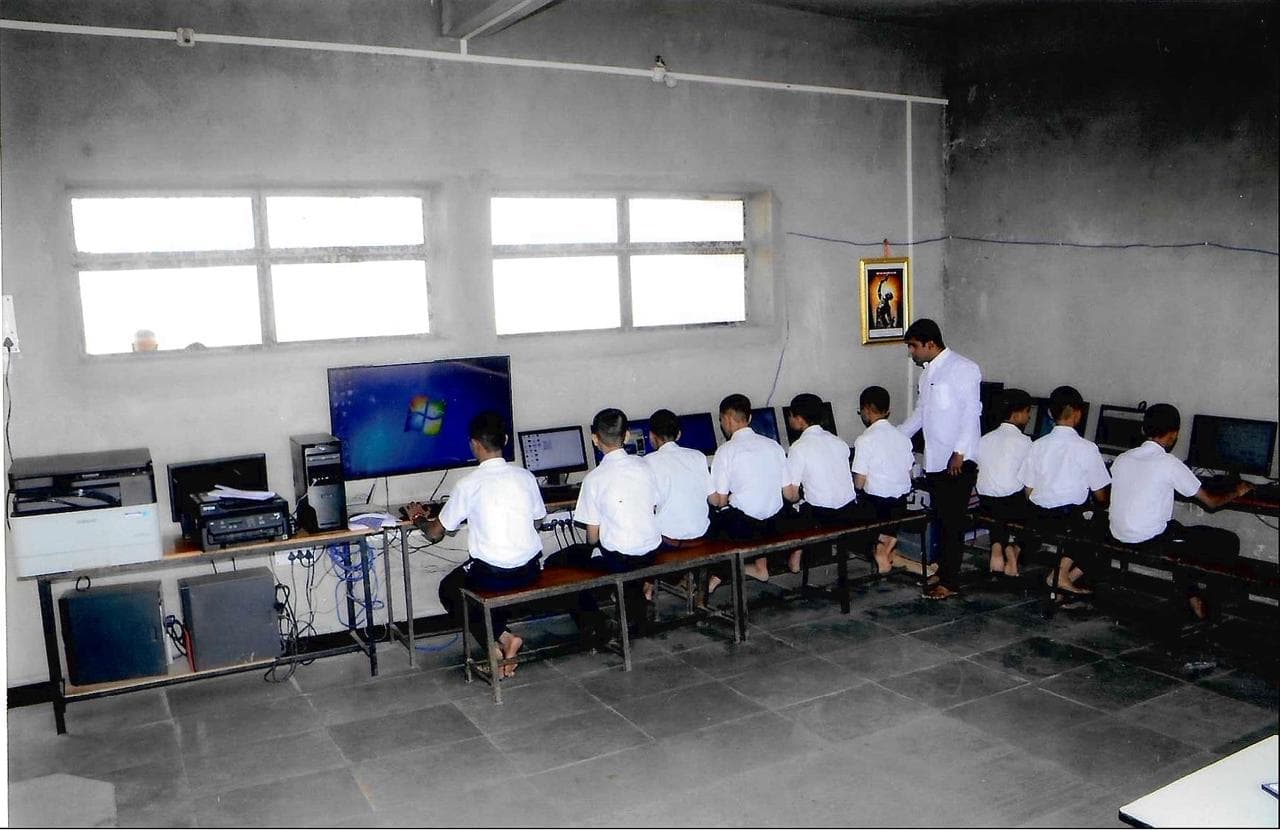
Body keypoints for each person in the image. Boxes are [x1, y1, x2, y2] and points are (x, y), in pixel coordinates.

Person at [406, 411, 545, 679]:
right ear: (504, 439)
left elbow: (435, 534)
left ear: (473, 444)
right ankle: (505, 639)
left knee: (449, 589)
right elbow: (538, 522)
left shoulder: (468, 485)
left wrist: (418, 518)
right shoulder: (525, 477)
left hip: (494, 576)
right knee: (473, 582)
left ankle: (496, 647)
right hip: (530, 570)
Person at [1108, 403, 1253, 619]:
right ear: (1174, 435)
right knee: (1227, 540)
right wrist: (1237, 491)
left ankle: (1193, 597)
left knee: (1178, 533)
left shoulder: (1122, 459)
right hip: (1148, 540)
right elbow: (1211, 502)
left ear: (1143, 430)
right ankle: (1208, 607)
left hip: (1118, 534)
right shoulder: (1168, 463)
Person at [545, 408, 661, 635]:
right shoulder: (645, 466)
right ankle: (633, 605)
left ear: (594, 439)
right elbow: (654, 505)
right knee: (612, 552)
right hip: (650, 552)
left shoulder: (594, 479)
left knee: (557, 563)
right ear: (627, 436)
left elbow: (592, 537)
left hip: (620, 558)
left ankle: (595, 624)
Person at [897, 318, 982, 600]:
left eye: (913, 346)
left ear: (930, 343)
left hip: (958, 461)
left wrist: (959, 452)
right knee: (942, 520)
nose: (912, 353)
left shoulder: (964, 369)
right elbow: (921, 414)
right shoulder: (927, 374)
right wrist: (894, 436)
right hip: (936, 461)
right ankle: (945, 570)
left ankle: (951, 582)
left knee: (952, 523)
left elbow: (971, 414)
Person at [1018, 385, 1111, 596]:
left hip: (1038, 517)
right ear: (1079, 414)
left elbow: (1028, 490)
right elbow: (1101, 495)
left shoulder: (1038, 445)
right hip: (1070, 520)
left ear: (1050, 414)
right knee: (1103, 527)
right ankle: (1062, 574)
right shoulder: (1088, 449)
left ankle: (1061, 575)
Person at [707, 393, 787, 590]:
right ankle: (760, 567)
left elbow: (720, 501)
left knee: (709, 520)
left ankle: (711, 580)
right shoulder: (774, 446)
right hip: (775, 525)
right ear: (749, 418)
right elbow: (787, 491)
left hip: (746, 529)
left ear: (726, 419)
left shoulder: (726, 451)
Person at [641, 408, 713, 601]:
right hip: (701, 536)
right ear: (679, 434)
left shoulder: (648, 462)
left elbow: (648, 504)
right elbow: (710, 495)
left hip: (669, 543)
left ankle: (647, 588)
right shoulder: (698, 456)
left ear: (651, 436)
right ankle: (675, 582)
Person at [783, 393, 858, 574]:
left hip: (822, 515)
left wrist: (797, 494)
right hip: (849, 511)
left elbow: (791, 494)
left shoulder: (799, 448)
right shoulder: (838, 442)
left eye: (791, 416)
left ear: (799, 419)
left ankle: (795, 557)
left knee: (783, 509)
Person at [851, 386, 915, 575]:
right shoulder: (903, 438)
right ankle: (886, 545)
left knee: (846, 510)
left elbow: (859, 483)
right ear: (888, 410)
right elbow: (909, 474)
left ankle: (877, 548)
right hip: (900, 504)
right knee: (890, 510)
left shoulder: (865, 439)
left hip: (876, 506)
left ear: (866, 409)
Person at [975, 388, 1034, 578]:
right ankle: (1013, 551)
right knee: (1038, 515)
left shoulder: (984, 439)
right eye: (1027, 412)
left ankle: (998, 547)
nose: (1029, 417)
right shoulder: (1026, 442)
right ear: (1017, 414)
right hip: (1011, 503)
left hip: (985, 501)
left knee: (997, 506)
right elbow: (1030, 481)